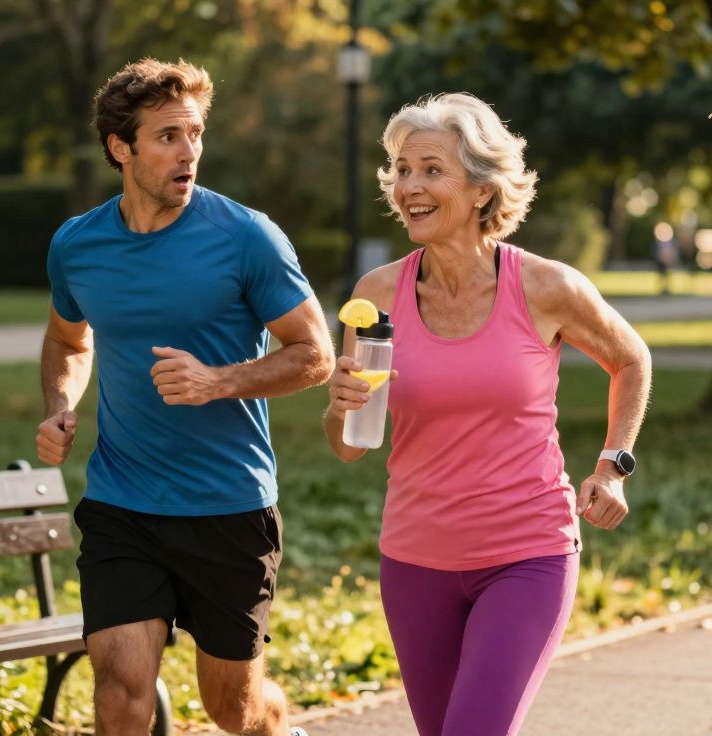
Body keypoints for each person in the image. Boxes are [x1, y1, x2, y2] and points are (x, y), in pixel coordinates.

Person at [323, 93, 652, 736]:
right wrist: (339, 409)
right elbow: (350, 446)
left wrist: (612, 466)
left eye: (432, 170)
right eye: (402, 170)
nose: (409, 187)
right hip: (414, 561)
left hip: (527, 554)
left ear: (481, 189)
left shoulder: (546, 287)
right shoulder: (376, 297)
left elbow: (631, 358)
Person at [38, 58, 331, 736]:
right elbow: (68, 340)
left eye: (195, 133)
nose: (189, 151)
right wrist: (60, 405)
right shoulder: (77, 245)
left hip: (227, 506)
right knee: (120, 694)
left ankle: (279, 725)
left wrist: (218, 380)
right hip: (122, 505)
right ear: (121, 148)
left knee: (233, 710)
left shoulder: (246, 236)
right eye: (168, 136)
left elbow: (315, 354)